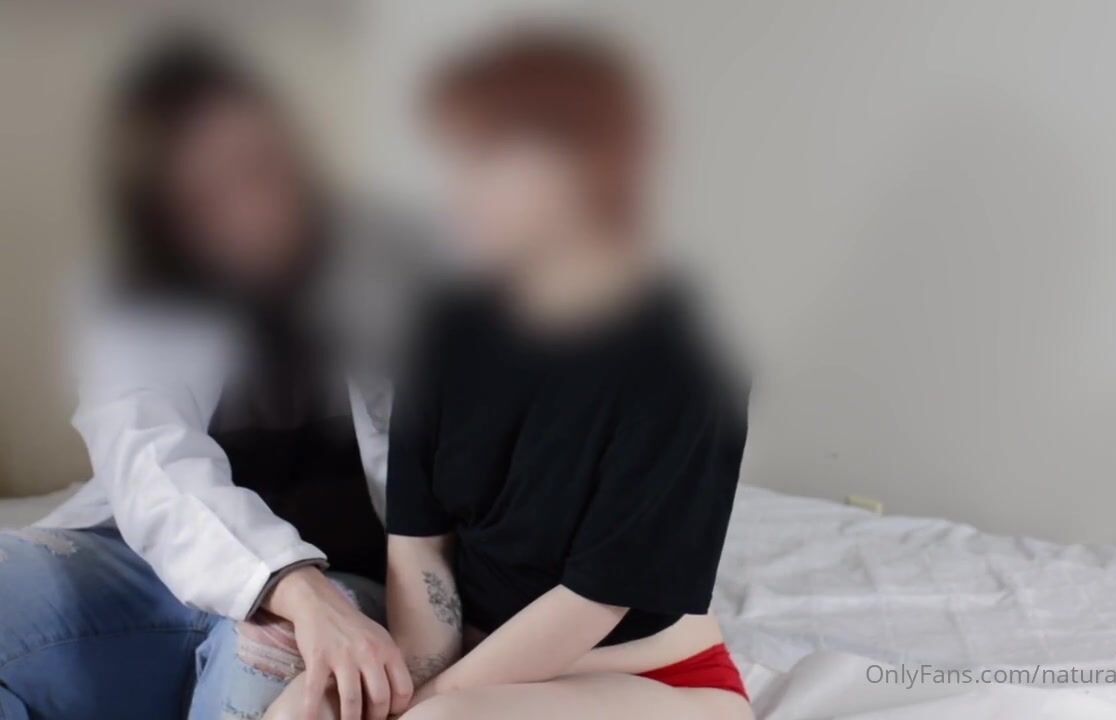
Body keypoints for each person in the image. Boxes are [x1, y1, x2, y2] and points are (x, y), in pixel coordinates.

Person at [266, 26, 754, 720]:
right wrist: (406, 686)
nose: (457, 190)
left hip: (656, 676)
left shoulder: (689, 357)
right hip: (470, 665)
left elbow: (595, 599)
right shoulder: (445, 326)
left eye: (490, 159)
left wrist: (420, 705)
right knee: (301, 710)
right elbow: (421, 551)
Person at [0, 35, 428, 720]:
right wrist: (292, 584)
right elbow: (146, 454)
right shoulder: (131, 292)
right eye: (205, 194)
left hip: (348, 584)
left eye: (259, 168)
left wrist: (317, 598)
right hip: (154, 568)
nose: (249, 207)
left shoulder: (392, 263)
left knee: (274, 661)